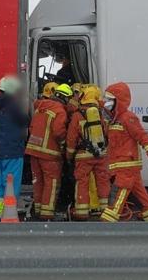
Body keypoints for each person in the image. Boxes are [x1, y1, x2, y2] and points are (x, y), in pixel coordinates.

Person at [100, 82, 148, 223]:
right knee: (141, 195)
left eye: (110, 99)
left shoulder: (128, 118)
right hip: (122, 165)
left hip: (127, 165)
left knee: (118, 193)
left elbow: (142, 137)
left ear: (118, 101)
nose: (107, 102)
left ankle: (108, 221)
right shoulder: (112, 120)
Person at [25, 84, 73, 220]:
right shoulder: (60, 111)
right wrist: (64, 144)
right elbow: (58, 132)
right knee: (51, 183)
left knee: (38, 181)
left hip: (33, 151)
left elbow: (32, 127)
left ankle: (38, 209)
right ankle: (47, 213)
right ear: (65, 98)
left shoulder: (40, 107)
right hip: (50, 154)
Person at [0, 75, 30, 222]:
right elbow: (25, 121)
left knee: (1, 185)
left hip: (0, 151)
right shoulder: (12, 106)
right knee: (12, 187)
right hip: (13, 150)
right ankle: (9, 215)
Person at [66, 85, 110, 220]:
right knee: (102, 181)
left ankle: (82, 212)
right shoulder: (101, 113)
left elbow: (71, 138)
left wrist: (69, 155)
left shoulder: (77, 115)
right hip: (101, 154)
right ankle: (105, 210)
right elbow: (107, 132)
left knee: (82, 183)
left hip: (83, 155)